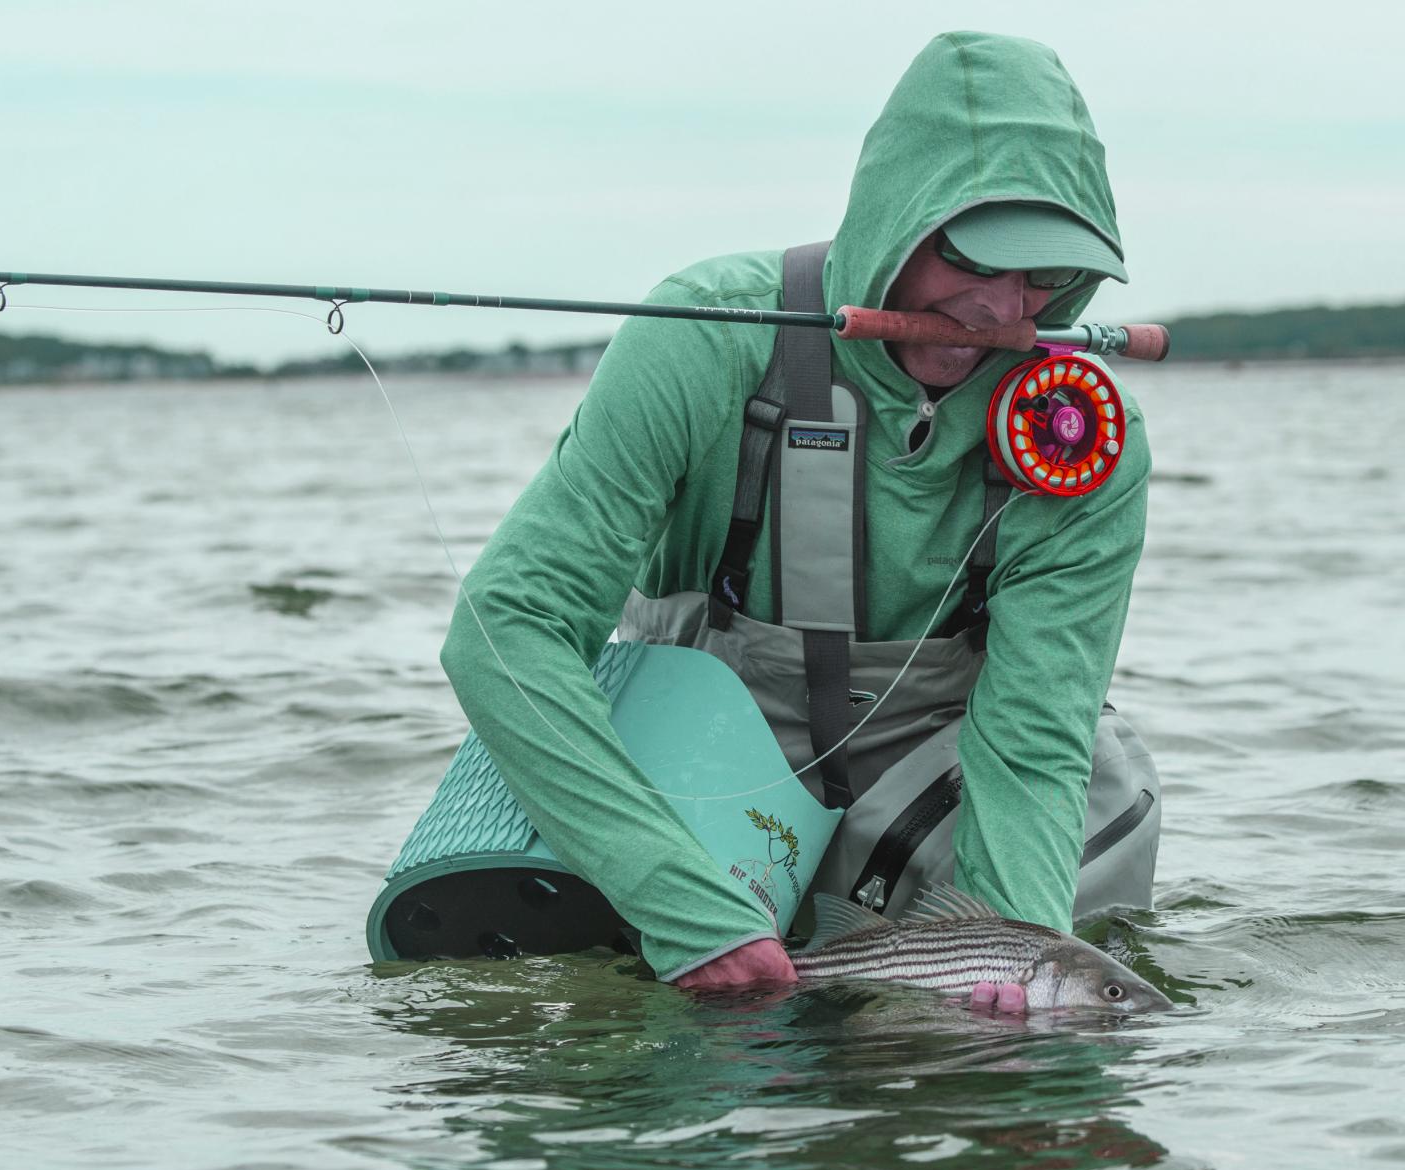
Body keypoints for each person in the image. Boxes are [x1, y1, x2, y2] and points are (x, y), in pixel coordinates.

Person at [440, 31, 1154, 995]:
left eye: (1040, 274)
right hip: (702, 756)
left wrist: (1011, 968)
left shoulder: (1086, 435)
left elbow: (1032, 739)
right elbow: (503, 632)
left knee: (1111, 788)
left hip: (919, 782)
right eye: (970, 260)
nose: (1001, 308)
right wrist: (679, 904)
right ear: (895, 219)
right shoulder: (704, 336)